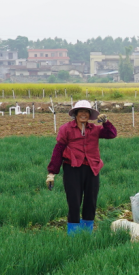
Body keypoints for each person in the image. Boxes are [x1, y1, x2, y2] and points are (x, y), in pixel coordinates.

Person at [46, 100, 117, 234]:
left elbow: (112, 134)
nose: (83, 114)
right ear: (76, 114)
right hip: (72, 169)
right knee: (74, 201)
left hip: (92, 168)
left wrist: (106, 123)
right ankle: (73, 235)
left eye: (86, 112)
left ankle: (86, 233)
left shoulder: (95, 129)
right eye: (81, 112)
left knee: (91, 201)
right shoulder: (66, 129)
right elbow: (58, 150)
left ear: (90, 115)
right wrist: (51, 173)